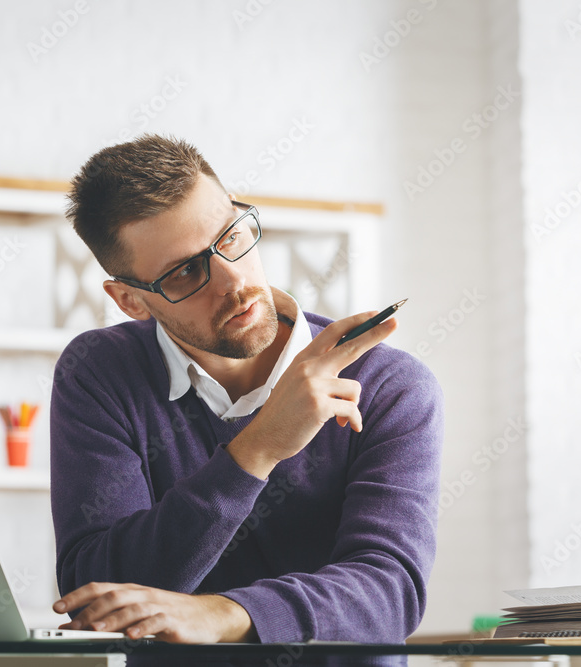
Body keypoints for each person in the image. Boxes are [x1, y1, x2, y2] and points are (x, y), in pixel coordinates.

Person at [48, 134, 443, 644]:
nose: (233, 281)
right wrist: (257, 449)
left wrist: (224, 614)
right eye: (186, 270)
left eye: (231, 236)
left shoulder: (389, 385)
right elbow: (93, 593)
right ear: (130, 300)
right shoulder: (98, 371)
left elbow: (391, 591)